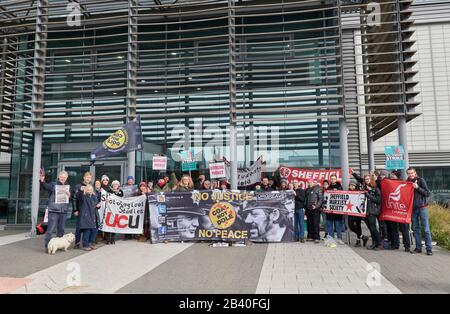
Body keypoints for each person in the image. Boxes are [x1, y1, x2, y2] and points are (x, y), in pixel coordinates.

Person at [40, 170, 73, 252]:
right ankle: (47, 246)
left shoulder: (68, 186)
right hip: (54, 210)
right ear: (59, 177)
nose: (62, 178)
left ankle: (59, 245)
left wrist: (69, 195)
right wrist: (42, 181)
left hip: (63, 210)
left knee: (61, 229)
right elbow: (45, 186)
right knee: (50, 229)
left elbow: (71, 198)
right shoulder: (53, 184)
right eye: (61, 177)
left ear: (66, 178)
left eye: (64, 177)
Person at [407, 167, 433, 256]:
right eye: (409, 173)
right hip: (413, 209)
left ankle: (429, 249)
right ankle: (418, 248)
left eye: (412, 173)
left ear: (415, 173)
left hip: (422, 208)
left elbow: (427, 193)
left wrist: (417, 187)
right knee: (415, 229)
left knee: (426, 229)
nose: (410, 175)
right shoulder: (407, 182)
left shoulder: (421, 180)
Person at [385, 170, 412, 252]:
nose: (391, 176)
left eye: (392, 175)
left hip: (401, 210)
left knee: (404, 229)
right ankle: (395, 244)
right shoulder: (389, 183)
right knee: (394, 229)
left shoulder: (402, 183)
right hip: (393, 210)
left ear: (396, 175)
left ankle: (407, 245)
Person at [73, 172, 93, 249]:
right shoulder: (78, 186)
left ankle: (86, 242)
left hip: (88, 211)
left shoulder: (91, 186)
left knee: (87, 227)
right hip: (80, 210)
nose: (88, 179)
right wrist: (75, 209)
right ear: (84, 177)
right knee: (79, 227)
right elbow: (74, 199)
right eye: (87, 177)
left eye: (89, 177)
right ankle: (77, 243)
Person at [78, 184, 100, 251]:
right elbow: (79, 196)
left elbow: (96, 205)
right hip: (86, 216)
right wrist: (81, 190)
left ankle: (91, 243)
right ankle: (85, 245)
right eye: (88, 189)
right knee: (87, 231)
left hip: (93, 216)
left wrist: (98, 205)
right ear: (85, 190)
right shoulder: (83, 196)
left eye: (90, 189)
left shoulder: (94, 197)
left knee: (94, 230)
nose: (89, 191)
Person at [363, 174, 382, 250]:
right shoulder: (365, 188)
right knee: (370, 229)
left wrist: (368, 194)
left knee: (373, 228)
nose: (367, 180)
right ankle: (374, 244)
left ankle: (379, 244)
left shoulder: (376, 189)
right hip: (366, 211)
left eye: (368, 179)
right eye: (365, 179)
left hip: (372, 211)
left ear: (371, 180)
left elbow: (378, 200)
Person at [347, 181, 369, 247]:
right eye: (350, 185)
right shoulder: (347, 192)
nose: (351, 187)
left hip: (357, 212)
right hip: (350, 212)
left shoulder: (359, 193)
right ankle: (363, 237)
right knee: (351, 226)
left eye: (353, 186)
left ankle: (358, 240)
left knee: (358, 226)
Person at [325, 175, 345, 245]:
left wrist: (338, 191)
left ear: (336, 179)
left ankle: (339, 238)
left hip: (337, 210)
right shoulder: (328, 187)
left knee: (338, 225)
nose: (333, 180)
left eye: (334, 179)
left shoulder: (340, 187)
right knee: (330, 225)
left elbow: (343, 197)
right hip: (330, 210)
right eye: (331, 179)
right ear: (330, 179)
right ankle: (331, 238)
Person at [105, 180, 123, 245]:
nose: (115, 185)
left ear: (118, 185)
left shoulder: (121, 192)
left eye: (117, 184)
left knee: (114, 224)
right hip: (109, 210)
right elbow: (106, 198)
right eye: (114, 184)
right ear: (112, 185)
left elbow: (122, 200)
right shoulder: (109, 191)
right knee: (109, 223)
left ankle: (113, 238)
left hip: (116, 210)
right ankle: (108, 239)